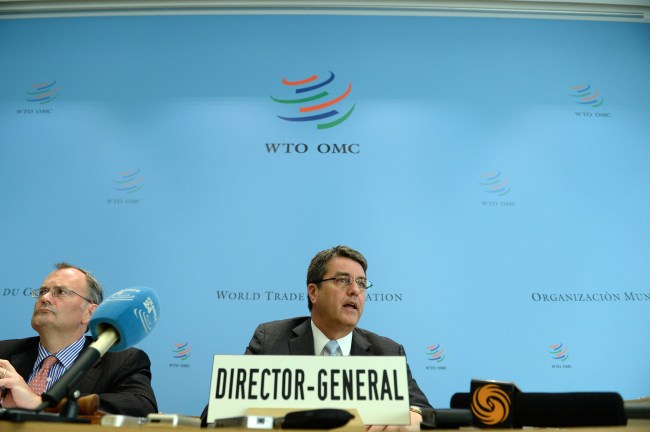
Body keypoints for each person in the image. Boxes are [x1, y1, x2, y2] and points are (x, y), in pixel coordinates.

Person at [245, 245, 432, 431]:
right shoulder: (270, 340)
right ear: (313, 292)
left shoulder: (387, 352)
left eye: (361, 283)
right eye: (343, 280)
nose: (355, 291)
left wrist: (413, 416)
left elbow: (426, 414)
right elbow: (234, 414)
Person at [0, 262, 157, 416]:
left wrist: (41, 403)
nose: (45, 298)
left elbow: (141, 407)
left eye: (61, 292)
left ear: (89, 313)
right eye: (42, 291)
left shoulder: (122, 361)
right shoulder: (4, 352)